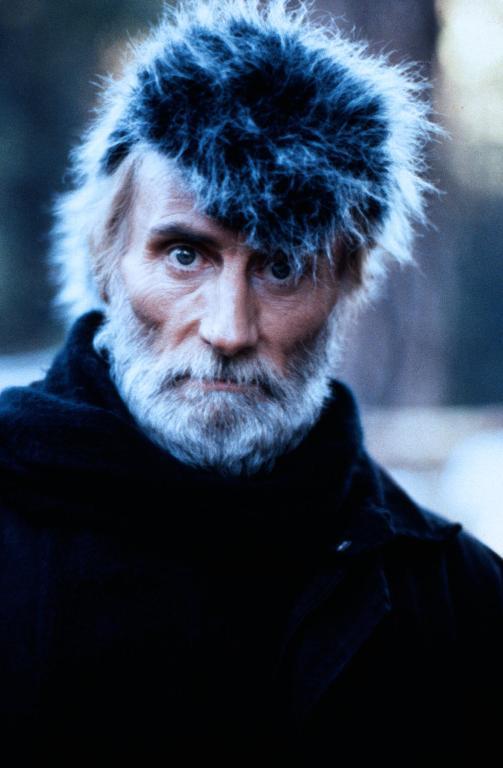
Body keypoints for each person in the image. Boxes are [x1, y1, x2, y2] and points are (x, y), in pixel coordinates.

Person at [0, 0, 501, 762]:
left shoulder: (458, 606)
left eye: (282, 266)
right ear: (106, 259)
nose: (229, 330)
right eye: (184, 256)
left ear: (348, 282)